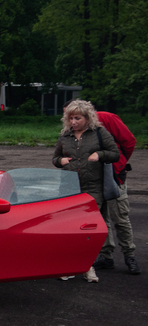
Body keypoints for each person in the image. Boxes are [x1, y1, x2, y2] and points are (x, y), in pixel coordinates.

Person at [52, 99, 120, 283]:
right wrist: (61, 161)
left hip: (93, 189)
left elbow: (115, 153)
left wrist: (100, 154)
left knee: (88, 231)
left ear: (87, 118)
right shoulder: (65, 135)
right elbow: (55, 157)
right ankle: (72, 266)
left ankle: (87, 267)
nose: (73, 122)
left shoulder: (99, 133)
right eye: (71, 118)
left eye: (78, 118)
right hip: (69, 189)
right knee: (70, 229)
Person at [92, 111, 140, 274]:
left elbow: (129, 141)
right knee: (100, 218)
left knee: (120, 216)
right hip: (93, 180)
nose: (72, 120)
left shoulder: (106, 118)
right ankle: (106, 255)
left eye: (76, 115)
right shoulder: (74, 129)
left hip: (113, 176)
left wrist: (120, 163)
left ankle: (129, 255)